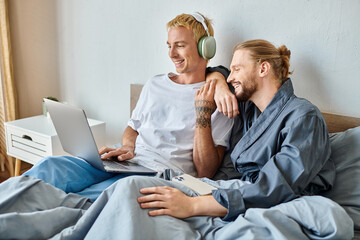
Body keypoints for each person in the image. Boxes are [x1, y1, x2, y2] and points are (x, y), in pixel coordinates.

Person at [22, 12, 234, 201]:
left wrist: (202, 113)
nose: (171, 54)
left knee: (91, 196)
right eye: (169, 46)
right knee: (50, 166)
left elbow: (206, 171)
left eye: (180, 45)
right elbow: (132, 128)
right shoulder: (155, 84)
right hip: (129, 162)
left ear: (204, 47)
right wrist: (127, 148)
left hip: (159, 174)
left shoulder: (219, 98)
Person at [134, 39, 336, 220]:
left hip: (272, 203)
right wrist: (220, 86)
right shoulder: (248, 110)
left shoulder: (304, 117)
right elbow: (215, 71)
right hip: (233, 194)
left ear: (263, 69)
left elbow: (276, 187)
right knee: (134, 190)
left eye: (237, 69)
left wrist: (193, 205)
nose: (230, 78)